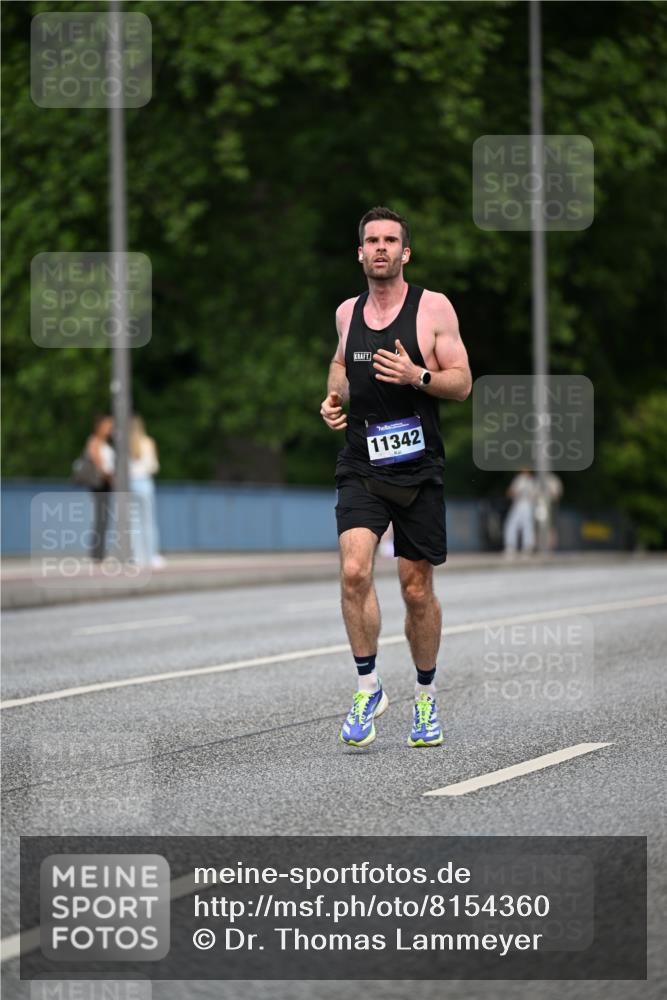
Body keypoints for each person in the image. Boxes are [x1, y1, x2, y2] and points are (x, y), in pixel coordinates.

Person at [320, 206, 472, 749]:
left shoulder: (433, 309)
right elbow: (340, 364)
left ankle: (425, 699)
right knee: (355, 572)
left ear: (405, 252)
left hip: (418, 467)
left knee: (415, 589)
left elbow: (462, 383)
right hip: (361, 462)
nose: (380, 248)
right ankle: (368, 685)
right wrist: (335, 399)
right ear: (360, 252)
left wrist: (417, 375)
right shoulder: (347, 313)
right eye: (371, 240)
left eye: (390, 240)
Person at [129, 415, 165, 568]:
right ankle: (152, 556)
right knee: (148, 522)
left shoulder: (125, 445)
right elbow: (154, 466)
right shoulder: (149, 443)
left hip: (131, 485)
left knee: (134, 523)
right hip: (145, 483)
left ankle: (138, 557)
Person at [86, 414, 114, 562]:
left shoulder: (107, 444)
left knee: (104, 519)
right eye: (108, 425)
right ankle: (97, 554)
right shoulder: (95, 442)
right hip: (100, 485)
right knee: (101, 519)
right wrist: (113, 478)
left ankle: (100, 552)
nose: (110, 429)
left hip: (107, 484)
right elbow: (100, 467)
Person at [503, 469, 536, 556]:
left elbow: (533, 495)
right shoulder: (519, 479)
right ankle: (511, 545)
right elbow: (510, 492)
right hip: (518, 504)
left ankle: (527, 546)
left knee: (526, 525)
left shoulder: (530, 481)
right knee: (512, 524)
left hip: (527, 505)